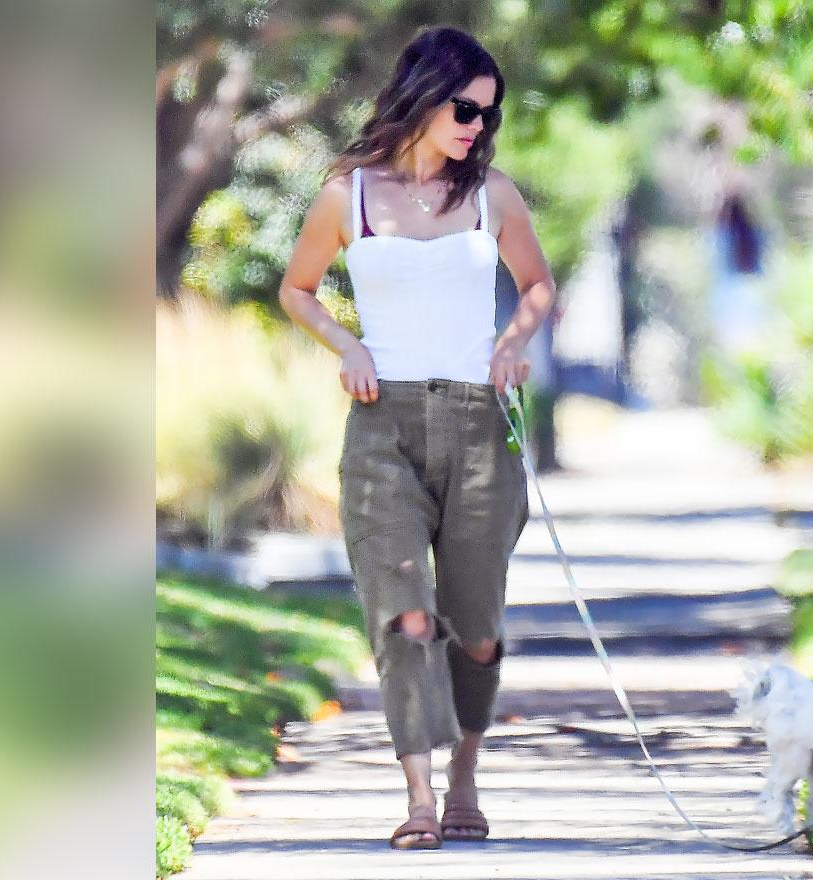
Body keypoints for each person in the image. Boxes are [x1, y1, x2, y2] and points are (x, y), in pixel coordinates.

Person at [277, 26, 556, 849]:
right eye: (465, 108)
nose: (477, 126)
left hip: (479, 424)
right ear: (424, 96)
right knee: (403, 616)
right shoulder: (347, 196)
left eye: (488, 115)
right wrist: (349, 346)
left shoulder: (493, 195)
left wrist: (513, 345)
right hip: (382, 427)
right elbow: (297, 290)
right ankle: (421, 798)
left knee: (475, 630)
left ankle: (466, 772)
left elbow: (537, 285)